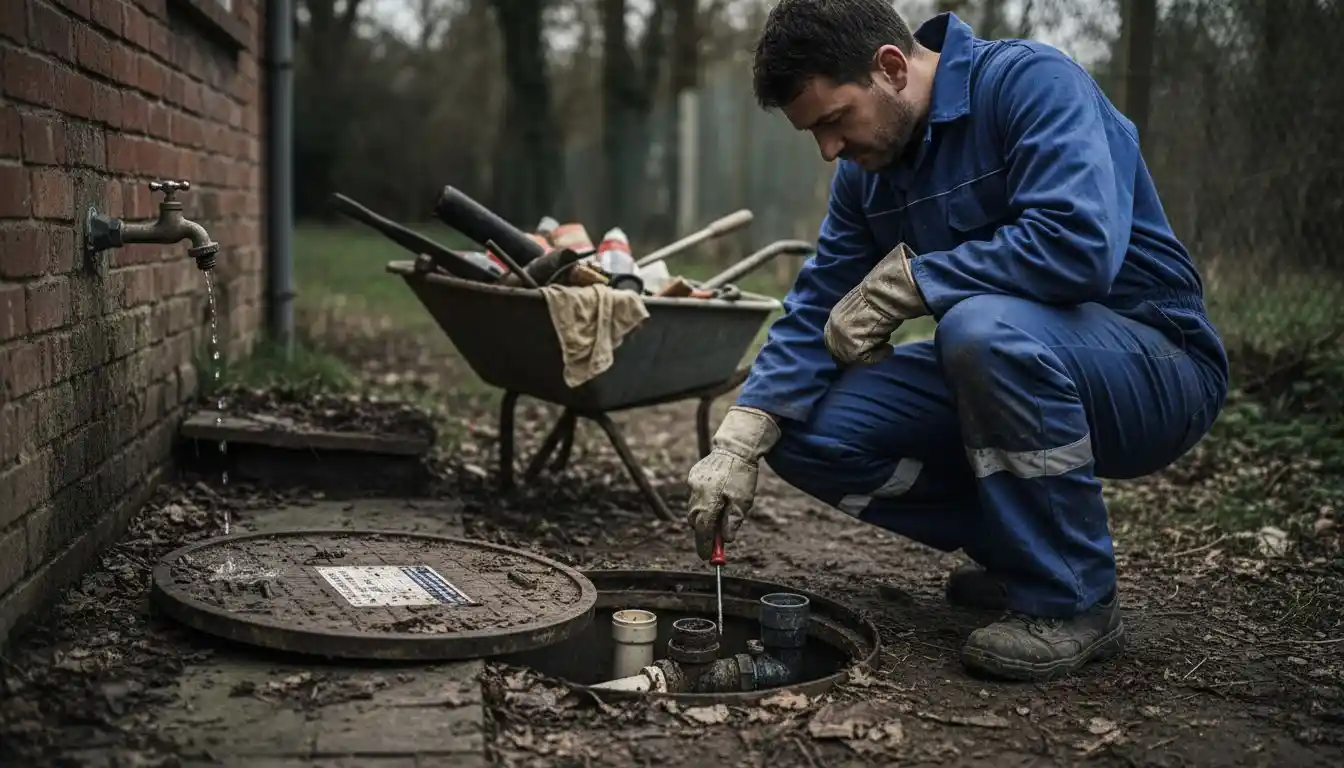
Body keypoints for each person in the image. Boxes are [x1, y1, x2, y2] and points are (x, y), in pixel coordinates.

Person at [684, 0, 1230, 683]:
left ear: (890, 67)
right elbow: (818, 300)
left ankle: (1073, 599)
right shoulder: (867, 175)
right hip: (1006, 365)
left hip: (1155, 363)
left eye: (833, 121)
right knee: (805, 427)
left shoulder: (1032, 84)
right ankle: (1019, 549)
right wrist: (745, 429)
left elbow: (1080, 245)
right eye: (812, 135)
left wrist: (918, 282)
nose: (829, 150)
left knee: (978, 329)